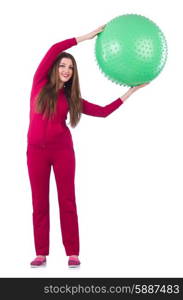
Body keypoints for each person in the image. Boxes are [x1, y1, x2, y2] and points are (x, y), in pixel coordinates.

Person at [26, 25, 149, 268]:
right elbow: (54, 49)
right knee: (39, 202)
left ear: (73, 74)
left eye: (70, 68)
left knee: (67, 200)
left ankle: (72, 252)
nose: (66, 70)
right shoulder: (39, 83)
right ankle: (41, 252)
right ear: (55, 68)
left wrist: (132, 90)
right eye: (63, 66)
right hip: (35, 153)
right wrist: (86, 37)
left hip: (62, 152)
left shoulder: (71, 99)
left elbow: (103, 112)